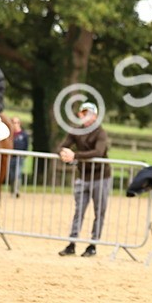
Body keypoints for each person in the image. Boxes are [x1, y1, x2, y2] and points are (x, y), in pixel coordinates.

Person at [56, 102, 110, 257]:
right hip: (83, 176)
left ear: (95, 116)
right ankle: (72, 243)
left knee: (99, 211)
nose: (85, 117)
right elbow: (62, 146)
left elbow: (98, 152)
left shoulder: (100, 133)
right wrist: (64, 153)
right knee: (78, 211)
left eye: (89, 114)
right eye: (83, 113)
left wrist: (75, 156)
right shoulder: (76, 130)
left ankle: (93, 245)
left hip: (101, 177)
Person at [8, 117, 29, 196]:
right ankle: (12, 190)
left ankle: (16, 190)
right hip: (10, 157)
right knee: (11, 174)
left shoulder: (23, 135)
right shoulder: (10, 134)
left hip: (19, 157)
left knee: (17, 173)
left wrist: (24, 155)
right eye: (13, 122)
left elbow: (26, 145)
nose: (15, 125)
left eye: (17, 122)